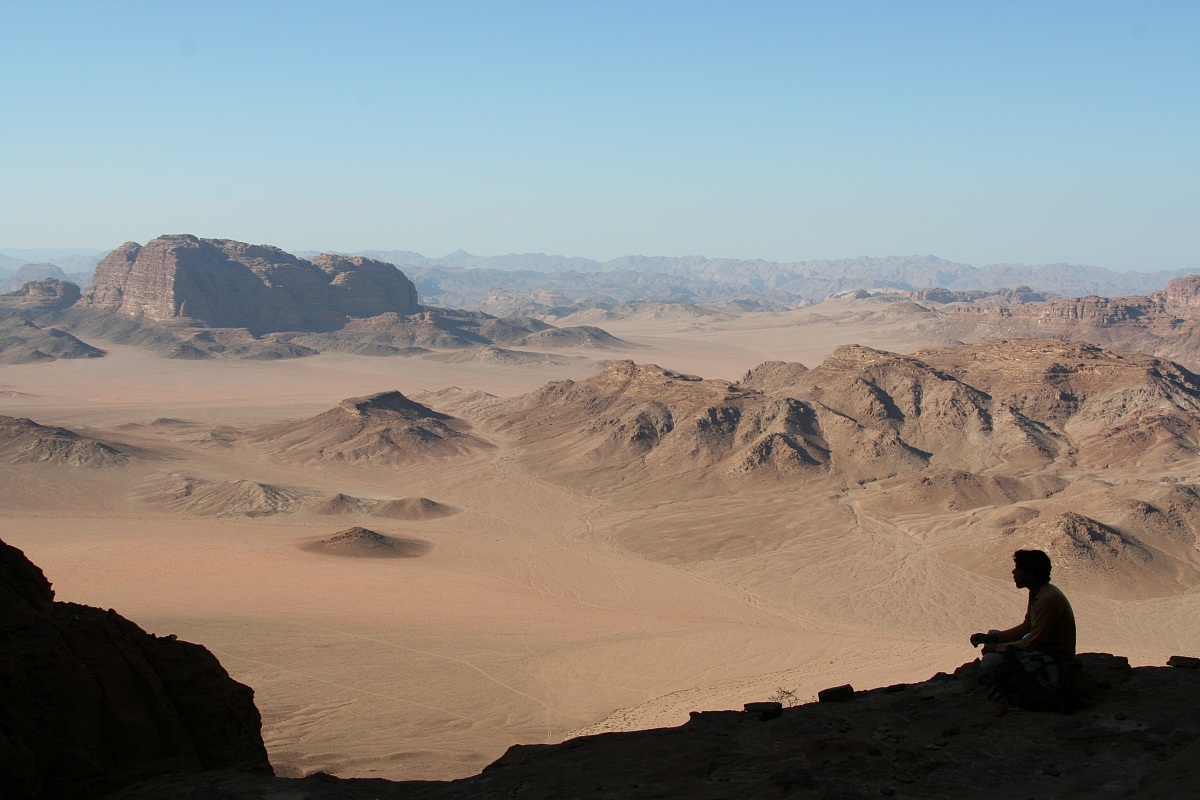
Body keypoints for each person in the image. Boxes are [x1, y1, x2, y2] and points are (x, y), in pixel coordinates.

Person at [970, 549, 1076, 673]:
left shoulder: (1047, 599)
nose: (1013, 572)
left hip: (1054, 657)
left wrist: (997, 648)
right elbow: (1027, 627)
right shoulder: (1038, 592)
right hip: (1042, 647)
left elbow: (1032, 642)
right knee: (992, 634)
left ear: (1030, 575)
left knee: (989, 661)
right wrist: (991, 638)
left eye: (1018, 569)